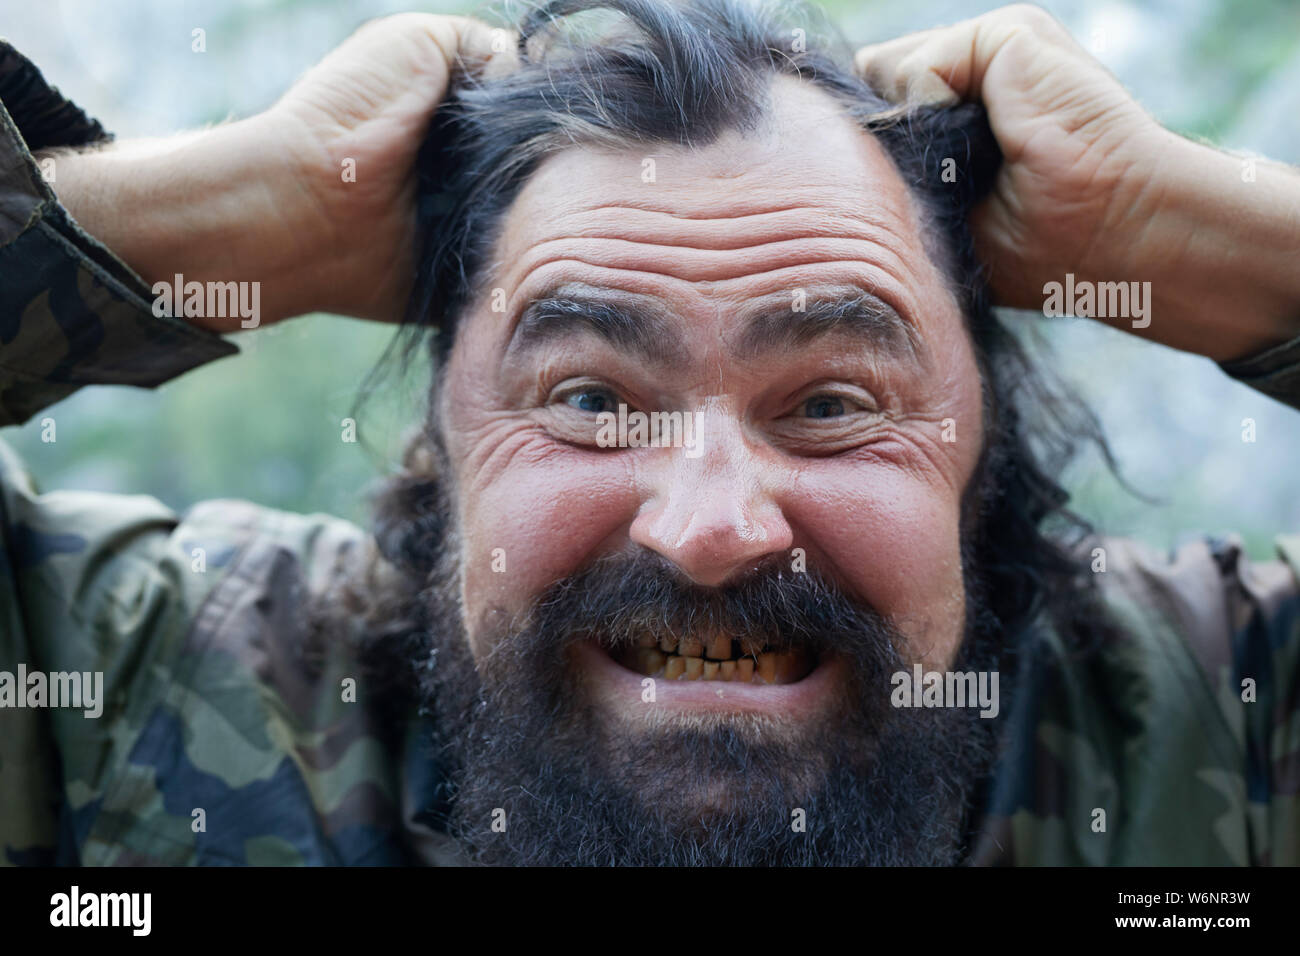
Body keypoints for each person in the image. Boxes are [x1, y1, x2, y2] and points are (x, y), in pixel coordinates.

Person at [1, 0, 1297, 866]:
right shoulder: (138, 691)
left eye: (832, 403)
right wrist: (231, 209)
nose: (713, 528)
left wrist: (1168, 230)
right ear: (440, 449)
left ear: (985, 452)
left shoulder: (1216, 733)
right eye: (590, 400)